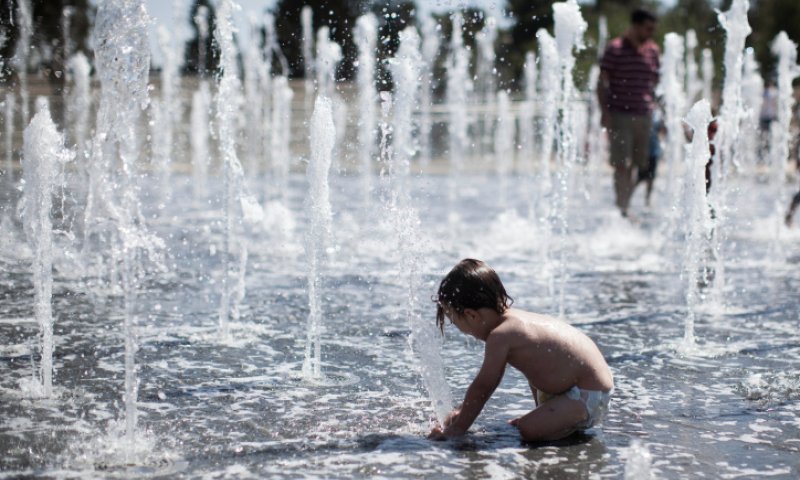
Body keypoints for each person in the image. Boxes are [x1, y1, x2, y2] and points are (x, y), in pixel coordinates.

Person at [427, 259, 614, 442]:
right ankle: (552, 417)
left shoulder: (501, 336)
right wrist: (463, 411)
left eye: (455, 321)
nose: (462, 331)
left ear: (471, 315)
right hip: (585, 389)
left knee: (528, 429)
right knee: (537, 368)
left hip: (587, 396)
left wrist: (458, 428)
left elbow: (484, 386)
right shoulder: (514, 323)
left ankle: (560, 426)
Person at [598, 8, 660, 218]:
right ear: (635, 25)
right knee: (621, 164)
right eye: (647, 28)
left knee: (640, 165)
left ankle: (625, 205)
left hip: (644, 115)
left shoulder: (653, 50)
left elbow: (655, 83)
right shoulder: (615, 49)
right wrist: (604, 111)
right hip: (620, 115)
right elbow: (602, 82)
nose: (651, 32)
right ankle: (622, 208)